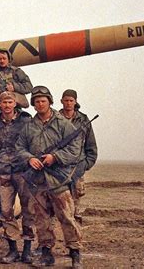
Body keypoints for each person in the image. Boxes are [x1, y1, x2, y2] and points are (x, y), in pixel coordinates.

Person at [15, 86, 83, 268]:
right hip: (37, 181)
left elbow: (75, 149)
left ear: (50, 102)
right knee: (42, 220)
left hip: (58, 180)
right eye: (36, 101)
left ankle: (75, 253)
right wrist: (29, 159)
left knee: (67, 218)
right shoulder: (29, 127)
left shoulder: (63, 124)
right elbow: (19, 148)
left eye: (43, 101)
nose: (39, 104)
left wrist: (56, 157)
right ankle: (46, 253)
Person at [0, 91, 35, 264]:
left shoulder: (25, 121)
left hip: (23, 171)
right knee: (6, 211)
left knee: (28, 210)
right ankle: (13, 249)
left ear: (15, 103)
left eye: (10, 102)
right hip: (3, 172)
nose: (7, 105)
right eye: (4, 102)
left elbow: (33, 142)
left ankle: (28, 250)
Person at [60, 89, 98, 224]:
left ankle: (76, 232)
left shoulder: (83, 120)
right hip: (58, 166)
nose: (68, 103)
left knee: (76, 199)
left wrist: (86, 164)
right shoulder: (56, 118)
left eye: (71, 101)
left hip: (78, 166)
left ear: (75, 102)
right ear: (61, 101)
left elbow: (91, 144)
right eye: (66, 100)